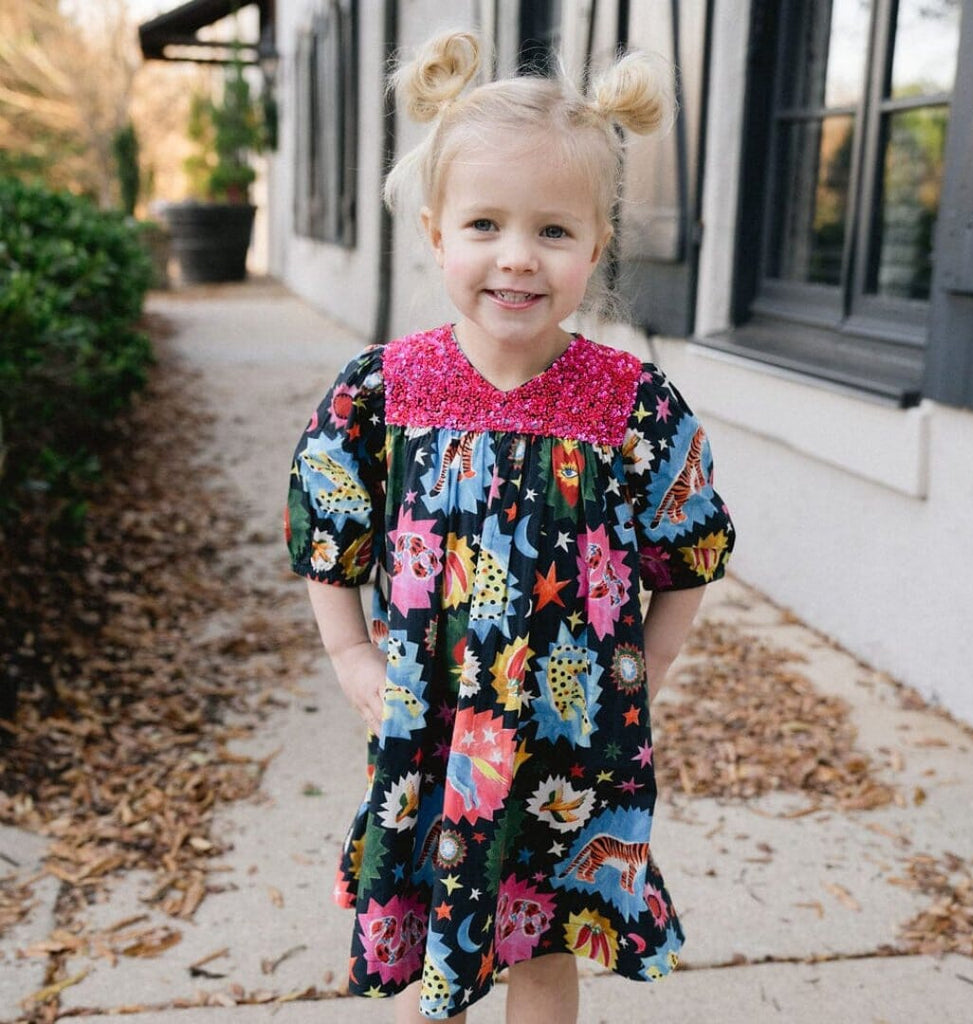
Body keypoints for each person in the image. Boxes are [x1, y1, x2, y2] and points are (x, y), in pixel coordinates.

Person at [285, 30, 736, 1023]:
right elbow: (331, 526)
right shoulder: (384, 392)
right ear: (438, 232)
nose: (516, 258)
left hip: (568, 739)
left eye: (553, 231)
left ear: (597, 242)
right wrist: (350, 651)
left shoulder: (632, 404)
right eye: (485, 224)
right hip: (432, 727)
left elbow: (688, 547)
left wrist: (644, 677)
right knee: (424, 938)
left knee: (542, 938)